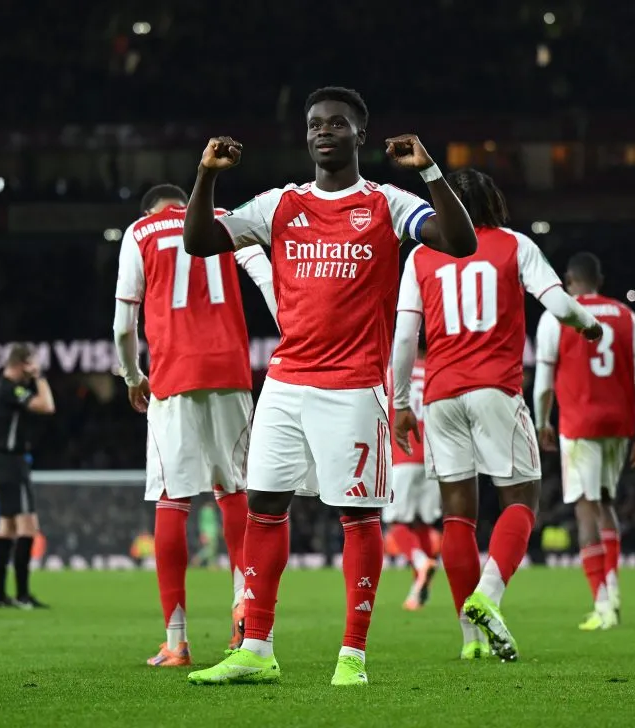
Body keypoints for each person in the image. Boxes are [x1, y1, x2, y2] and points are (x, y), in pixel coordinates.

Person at [182, 86, 477, 686]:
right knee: (263, 505)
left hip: (354, 386)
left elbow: (460, 242)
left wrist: (431, 173)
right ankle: (256, 649)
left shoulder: (388, 202)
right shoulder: (280, 204)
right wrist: (205, 177)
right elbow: (201, 241)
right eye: (316, 123)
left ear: (359, 135)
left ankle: (353, 655)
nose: (324, 131)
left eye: (337, 123)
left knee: (357, 516)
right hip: (287, 382)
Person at [391, 168, 601, 661]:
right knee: (522, 499)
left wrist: (401, 402)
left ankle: (470, 641)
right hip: (495, 390)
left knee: (457, 516)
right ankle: (490, 593)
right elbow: (559, 306)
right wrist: (589, 325)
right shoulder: (514, 245)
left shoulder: (421, 255)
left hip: (439, 397)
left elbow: (404, 339)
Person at [113, 184, 277, 667]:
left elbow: (125, 323)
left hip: (174, 377)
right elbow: (266, 277)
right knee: (235, 492)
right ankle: (243, 624)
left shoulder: (140, 232)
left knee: (172, 499)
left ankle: (177, 641)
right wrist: (293, 330)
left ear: (151, 210)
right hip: (230, 373)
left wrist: (132, 377)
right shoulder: (224, 217)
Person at [533, 252, 635, 630]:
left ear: (569, 280)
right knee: (604, 501)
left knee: (585, 507)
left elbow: (543, 383)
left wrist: (542, 423)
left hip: (580, 424)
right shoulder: (626, 316)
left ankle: (601, 604)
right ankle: (614, 589)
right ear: (599, 279)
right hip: (620, 424)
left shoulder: (557, 314)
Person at [0, 344, 55, 609]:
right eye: (31, 364)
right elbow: (47, 406)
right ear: (22, 364)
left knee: (7, 529)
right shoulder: (10, 389)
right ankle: (23, 595)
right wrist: (39, 377)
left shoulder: (1, 389)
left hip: (2, 463)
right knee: (28, 527)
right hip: (12, 463)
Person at [383, 351, 440, 611]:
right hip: (432, 456)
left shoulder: (394, 373)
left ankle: (419, 562)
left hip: (402, 455)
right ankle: (418, 591)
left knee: (396, 522)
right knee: (423, 523)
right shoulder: (436, 372)